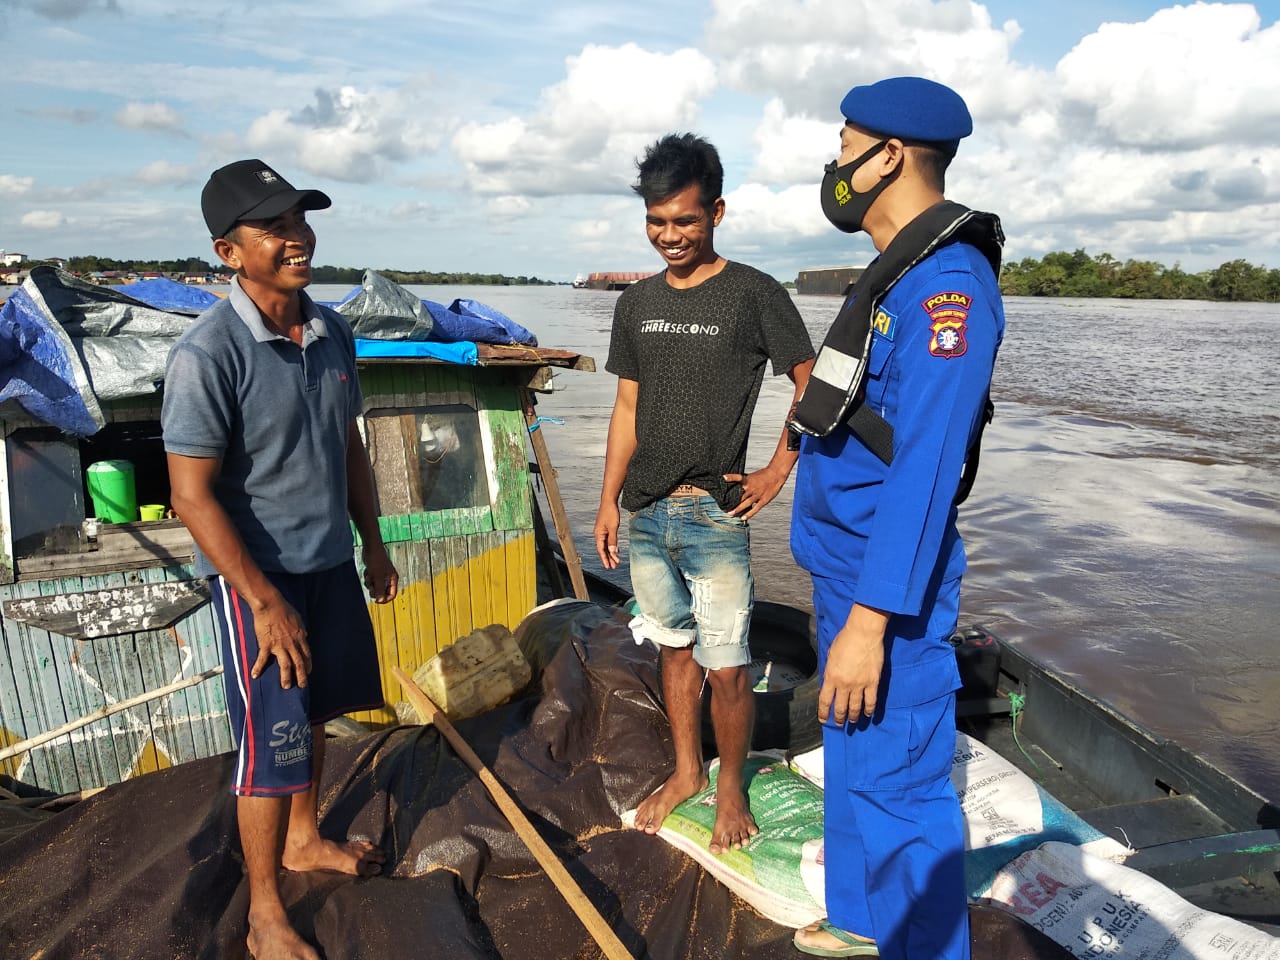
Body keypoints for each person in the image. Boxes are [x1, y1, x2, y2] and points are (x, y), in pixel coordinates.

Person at [788, 78, 1006, 958]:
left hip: (890, 590)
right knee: (851, 761)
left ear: (890, 156)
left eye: (845, 145)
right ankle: (858, 921)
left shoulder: (946, 289)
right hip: (842, 569)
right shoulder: (893, 274)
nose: (834, 165)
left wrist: (873, 624)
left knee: (900, 789)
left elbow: (926, 470)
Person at [162, 159, 399, 960]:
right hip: (259, 581)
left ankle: (304, 838)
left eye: (301, 221)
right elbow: (191, 496)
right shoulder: (208, 353)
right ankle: (265, 911)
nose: (298, 238)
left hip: (329, 562)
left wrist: (373, 543)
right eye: (276, 227)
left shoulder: (333, 330)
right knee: (271, 741)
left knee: (320, 707)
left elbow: (348, 447)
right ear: (230, 251)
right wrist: (263, 600)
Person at [594, 133, 815, 855]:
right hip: (648, 512)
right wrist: (606, 502)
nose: (670, 236)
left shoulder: (754, 294)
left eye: (684, 221)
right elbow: (626, 408)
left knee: (729, 666)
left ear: (716, 210)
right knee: (674, 650)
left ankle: (729, 790)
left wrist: (777, 469)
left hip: (717, 510)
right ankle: (688, 770)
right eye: (657, 222)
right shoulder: (637, 303)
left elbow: (811, 387)